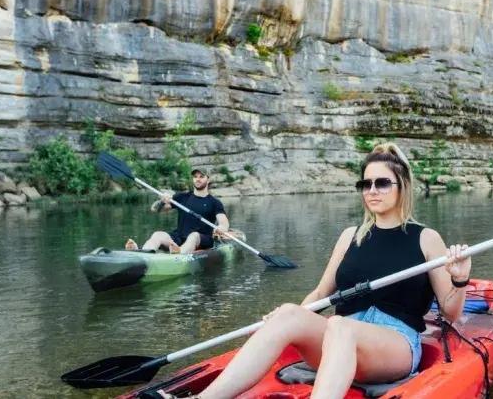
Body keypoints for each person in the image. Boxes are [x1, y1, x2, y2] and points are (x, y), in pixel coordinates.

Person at [162, 143, 471, 398]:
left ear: (401, 186)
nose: (372, 190)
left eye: (382, 182)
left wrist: (459, 278)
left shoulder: (426, 238)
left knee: (340, 326)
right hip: (340, 336)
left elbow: (451, 312)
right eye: (366, 183)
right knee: (291, 313)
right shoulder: (351, 236)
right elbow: (323, 293)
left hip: (394, 345)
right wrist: (289, 316)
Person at [125, 167, 229, 254]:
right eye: (195, 177)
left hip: (202, 240)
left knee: (194, 235)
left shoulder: (214, 202)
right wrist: (162, 201)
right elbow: (154, 209)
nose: (198, 179)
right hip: (179, 238)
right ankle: (143, 253)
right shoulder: (182, 197)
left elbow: (224, 223)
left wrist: (221, 228)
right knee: (158, 234)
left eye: (201, 177)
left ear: (208, 179)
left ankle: (179, 255)